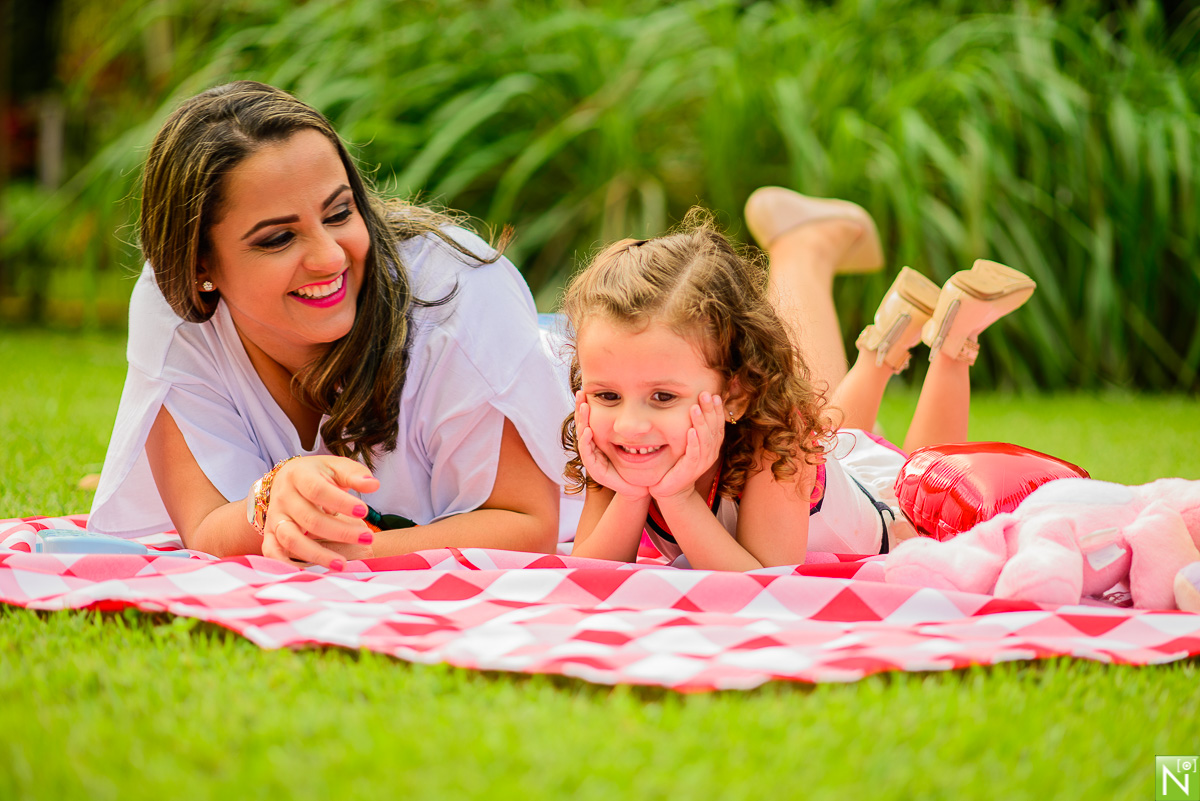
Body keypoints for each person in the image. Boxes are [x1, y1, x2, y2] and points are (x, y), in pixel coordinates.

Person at [89, 81, 573, 569]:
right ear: (199, 268)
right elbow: (208, 525)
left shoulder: (460, 295)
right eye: (278, 238)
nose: (328, 256)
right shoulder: (174, 310)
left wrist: (344, 551)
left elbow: (526, 526)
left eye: (340, 212)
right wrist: (272, 499)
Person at [561, 195, 1035, 570]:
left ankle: (954, 343)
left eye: (662, 397)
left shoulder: (775, 451)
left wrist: (676, 496)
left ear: (737, 393)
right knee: (836, 431)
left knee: (935, 480)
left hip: (893, 517)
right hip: (836, 461)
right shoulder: (629, 447)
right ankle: (884, 342)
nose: (629, 424)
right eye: (606, 395)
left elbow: (762, 584)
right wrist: (630, 491)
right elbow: (593, 572)